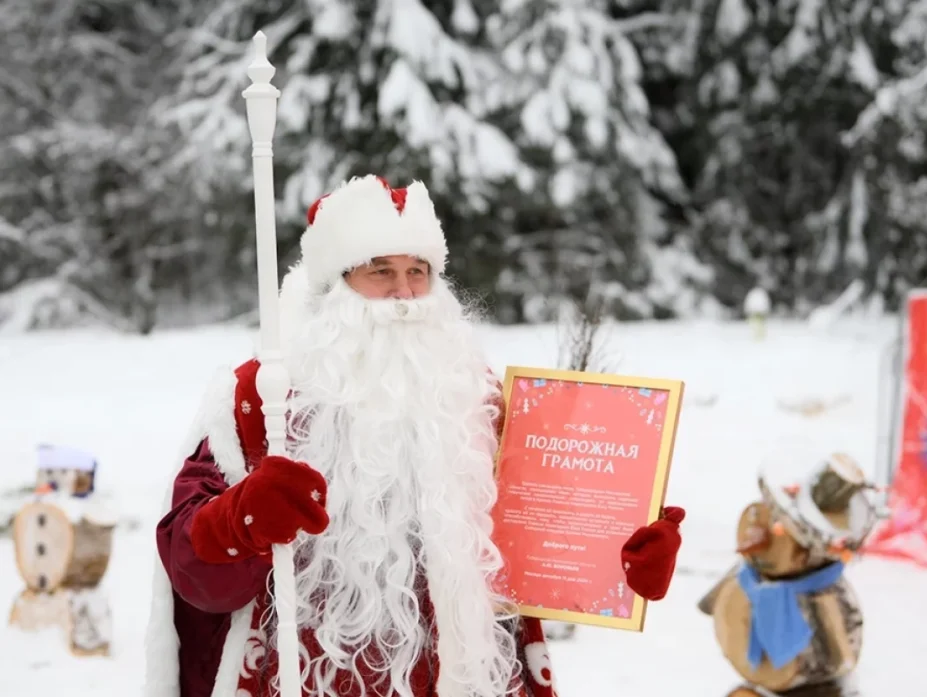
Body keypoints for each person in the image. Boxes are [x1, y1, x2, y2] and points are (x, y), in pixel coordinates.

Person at [143, 175, 686, 697]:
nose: (405, 294)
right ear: (334, 288)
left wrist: (618, 563)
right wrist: (241, 519)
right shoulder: (260, 401)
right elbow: (189, 567)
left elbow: (539, 541)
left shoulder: (476, 399)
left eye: (418, 271)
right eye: (380, 271)